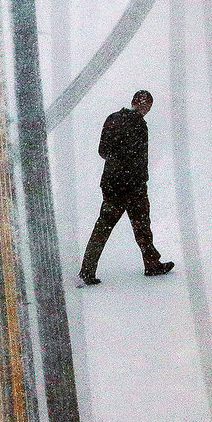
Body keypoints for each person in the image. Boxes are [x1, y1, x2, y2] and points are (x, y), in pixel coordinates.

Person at [78, 90, 174, 285]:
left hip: (113, 184)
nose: (146, 108)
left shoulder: (112, 119)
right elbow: (137, 158)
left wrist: (117, 163)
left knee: (104, 228)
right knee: (141, 227)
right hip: (133, 186)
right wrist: (131, 169)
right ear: (142, 105)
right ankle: (152, 264)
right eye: (146, 105)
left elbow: (102, 151)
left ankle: (88, 270)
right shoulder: (139, 125)